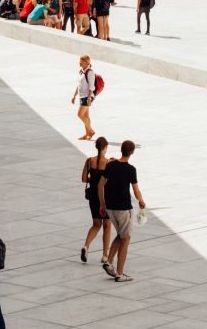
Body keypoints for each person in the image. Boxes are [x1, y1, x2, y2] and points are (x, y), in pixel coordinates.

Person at [99, 140, 146, 283]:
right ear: (132, 152)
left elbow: (100, 185)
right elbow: (135, 189)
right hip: (123, 209)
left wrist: (102, 204)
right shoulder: (131, 169)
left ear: (121, 150)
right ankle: (119, 273)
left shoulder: (111, 165)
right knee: (126, 239)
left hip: (110, 207)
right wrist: (141, 200)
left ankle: (109, 262)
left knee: (120, 235)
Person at [80, 137, 112, 268]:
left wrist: (93, 179)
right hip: (106, 197)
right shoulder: (108, 163)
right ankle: (105, 255)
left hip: (93, 196)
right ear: (105, 147)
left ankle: (86, 246)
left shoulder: (89, 161)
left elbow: (83, 179)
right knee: (107, 225)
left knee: (96, 224)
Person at [71, 55, 98, 141]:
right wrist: (74, 96)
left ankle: (91, 131)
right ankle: (87, 134)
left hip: (87, 96)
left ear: (87, 63)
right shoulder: (82, 72)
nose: (80, 63)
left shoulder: (90, 72)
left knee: (80, 114)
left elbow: (91, 86)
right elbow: (79, 85)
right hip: (82, 96)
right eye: (80, 61)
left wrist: (89, 98)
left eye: (81, 61)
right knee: (86, 116)